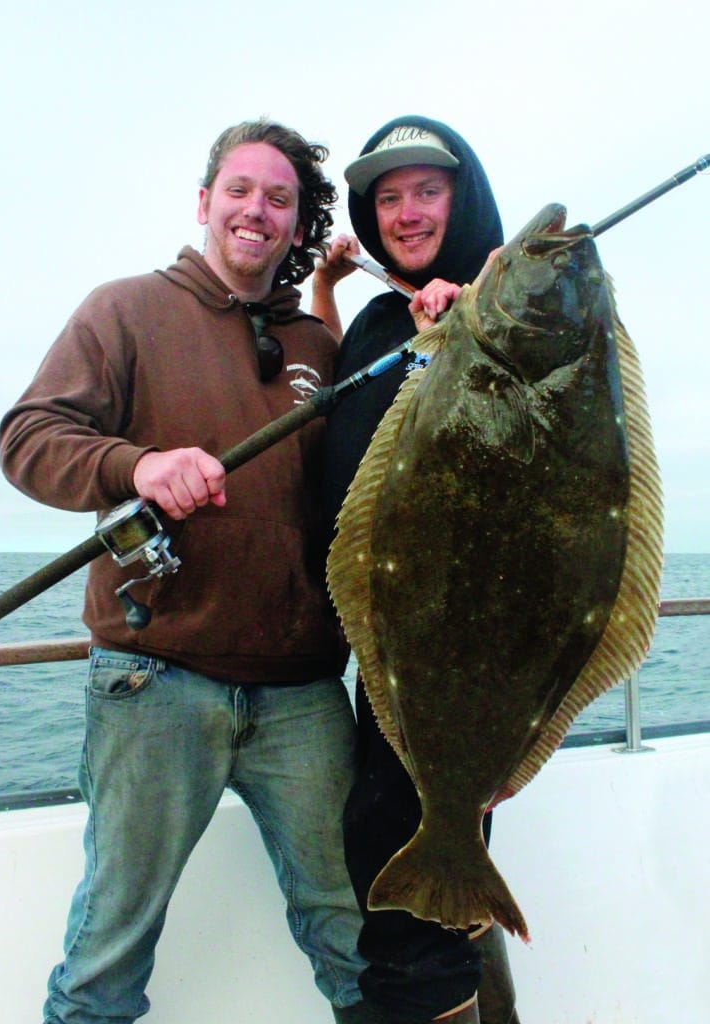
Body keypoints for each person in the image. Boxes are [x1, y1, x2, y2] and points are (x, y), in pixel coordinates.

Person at [0, 119, 368, 1024]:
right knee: (108, 951)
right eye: (239, 190)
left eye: (279, 199)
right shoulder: (123, 309)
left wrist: (337, 291)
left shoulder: (317, 345)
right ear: (204, 203)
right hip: (155, 678)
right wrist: (139, 466)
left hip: (305, 693)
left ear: (294, 224)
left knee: (356, 936)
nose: (257, 210)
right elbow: (30, 437)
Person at [312, 116, 521, 1024]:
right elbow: (338, 399)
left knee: (401, 917)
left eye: (426, 190)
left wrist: (462, 336)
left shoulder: (494, 318)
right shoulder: (380, 315)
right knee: (447, 901)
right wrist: (327, 286)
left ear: (461, 195)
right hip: (389, 640)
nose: (405, 212)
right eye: (387, 196)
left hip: (454, 648)